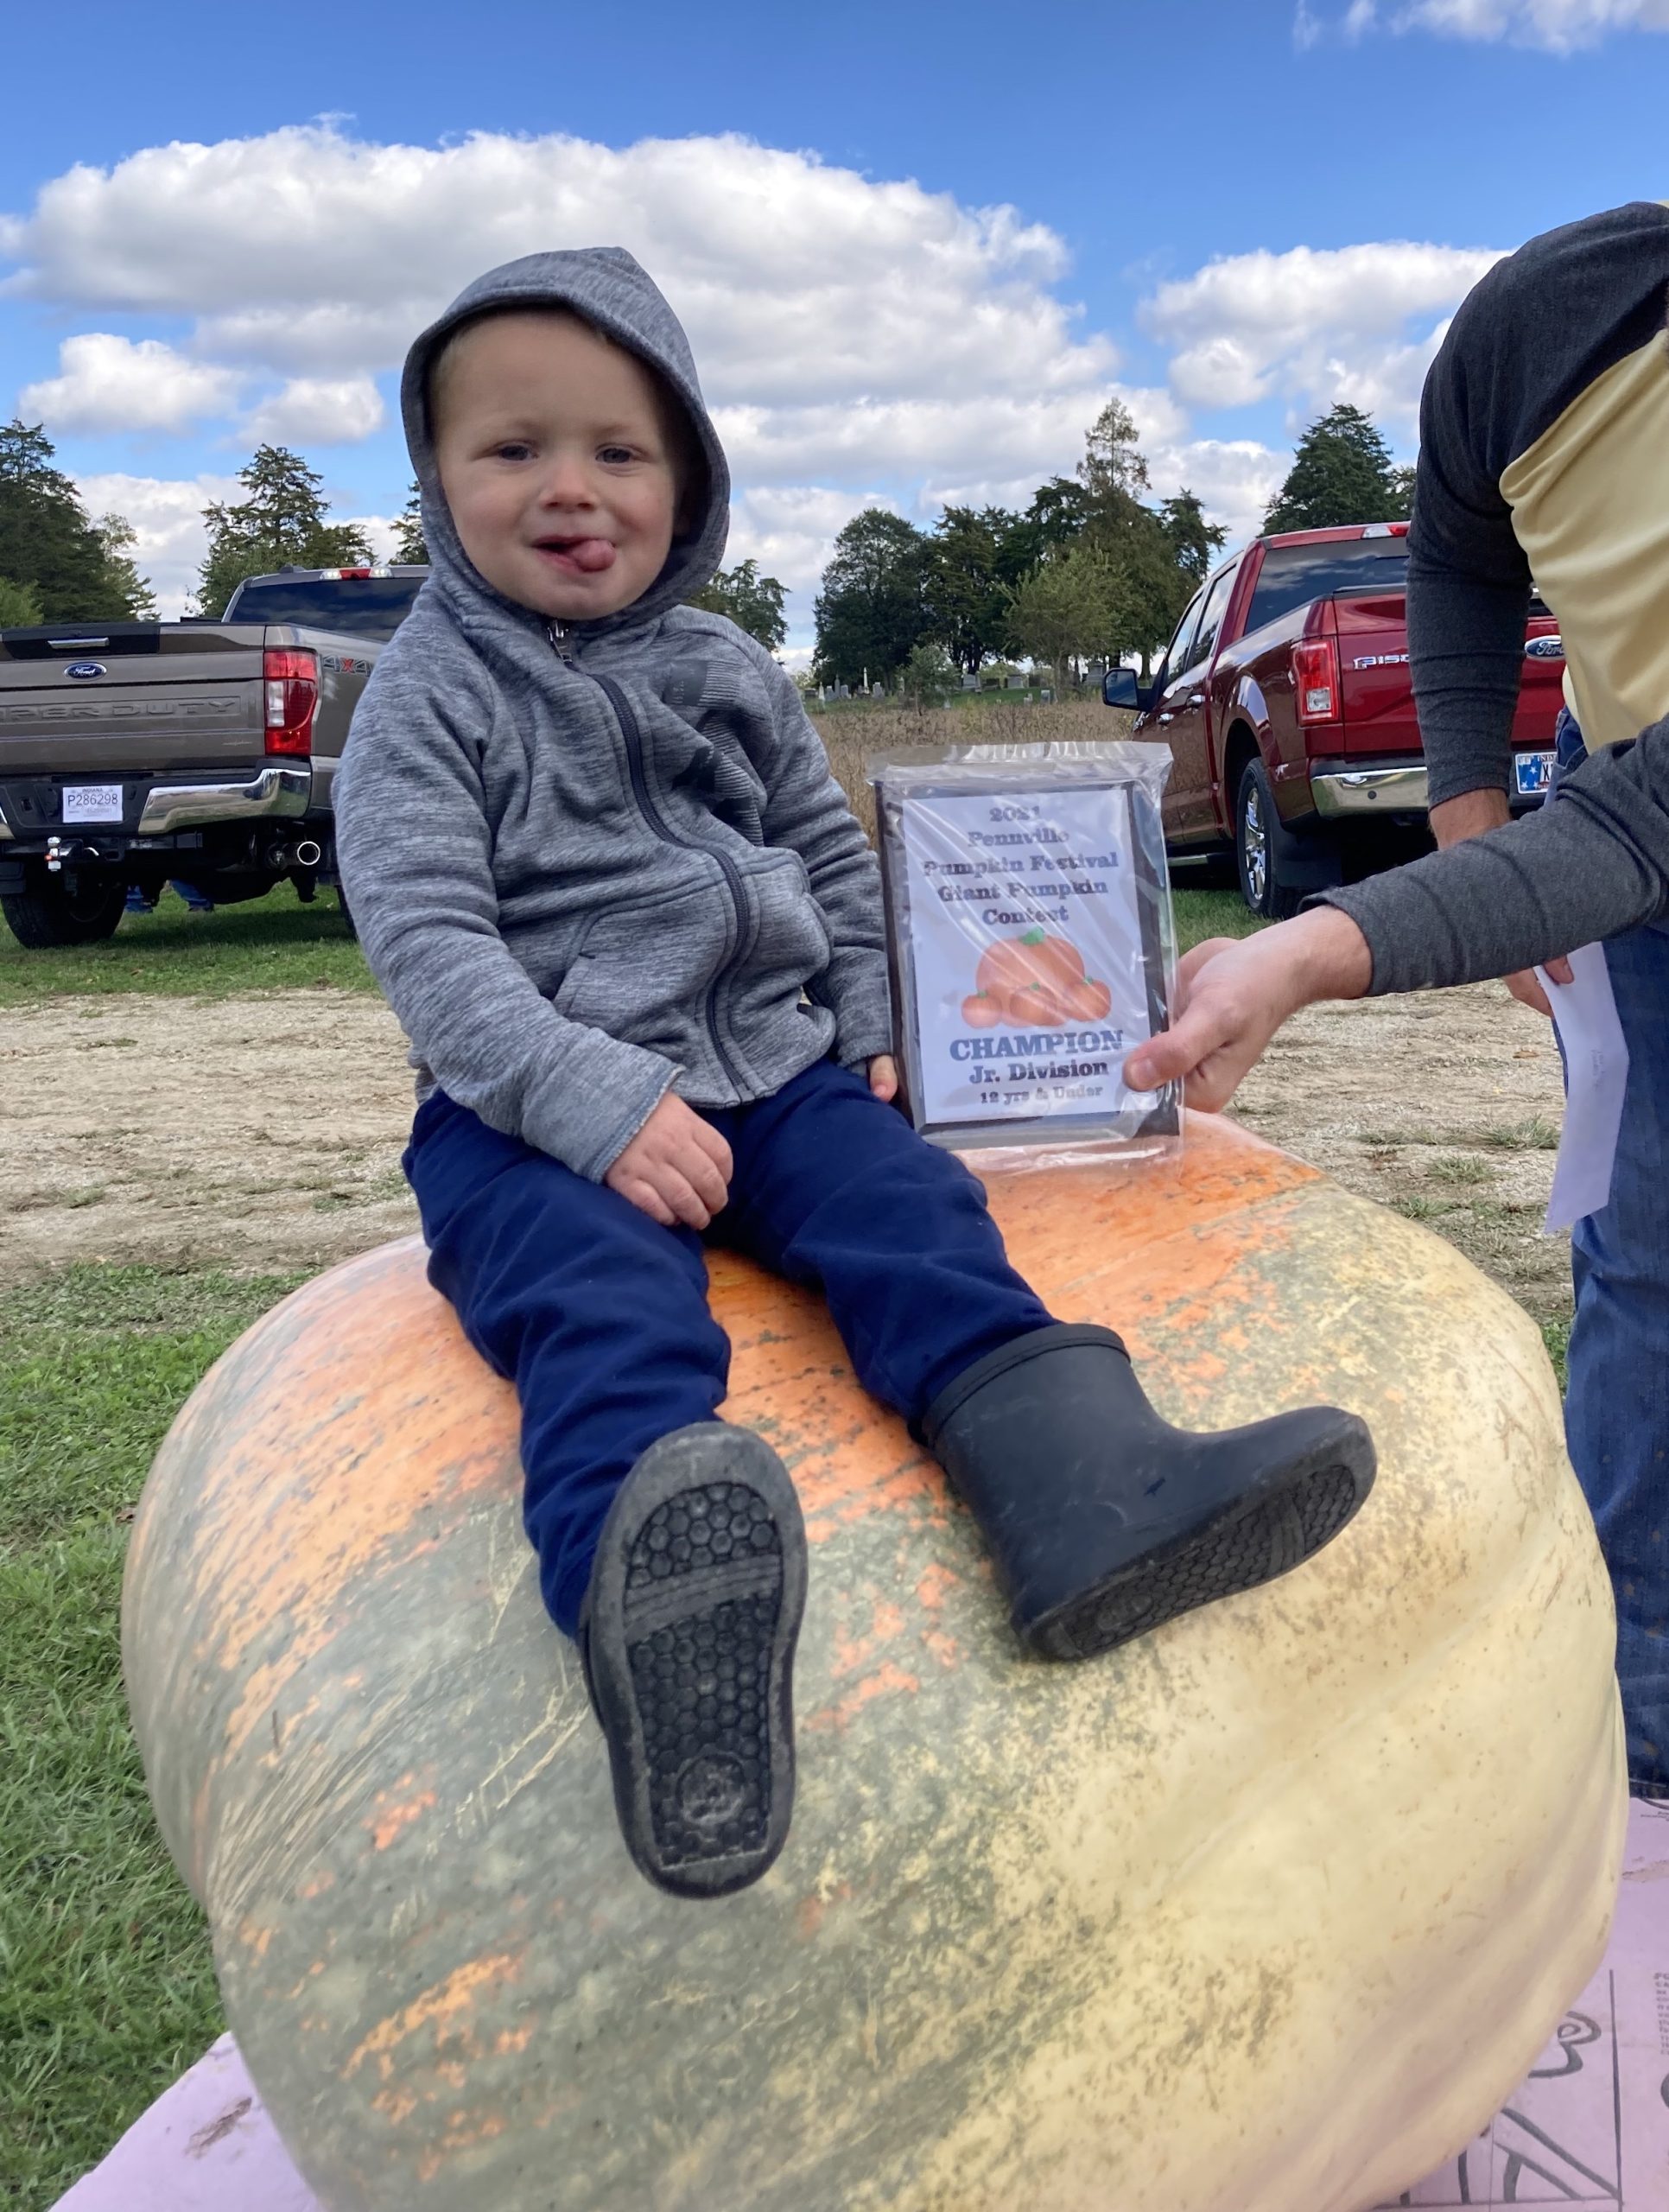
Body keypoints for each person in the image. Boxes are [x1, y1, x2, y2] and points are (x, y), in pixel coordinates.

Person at [333, 248, 1375, 1900]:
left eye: (619, 451)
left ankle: (1084, 1490)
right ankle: (650, 1598)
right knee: (597, 1305)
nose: (569, 489)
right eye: (512, 449)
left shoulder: (732, 671)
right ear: (435, 477)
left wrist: (884, 1014)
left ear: (688, 484)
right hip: (533, 1118)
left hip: (777, 1072)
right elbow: (431, 941)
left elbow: (825, 850)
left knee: (914, 1216)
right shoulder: (426, 701)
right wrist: (592, 1105)